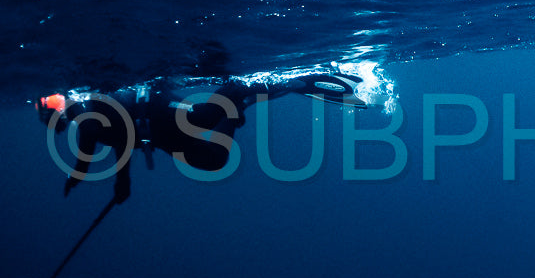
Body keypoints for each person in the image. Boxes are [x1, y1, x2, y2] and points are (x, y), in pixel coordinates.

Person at [34, 72, 366, 203]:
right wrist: (77, 179)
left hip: (157, 114)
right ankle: (239, 105)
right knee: (213, 160)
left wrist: (120, 183)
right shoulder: (85, 123)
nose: (53, 112)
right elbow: (91, 156)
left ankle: (240, 88)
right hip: (158, 135)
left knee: (206, 116)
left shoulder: (87, 117)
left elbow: (112, 145)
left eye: (51, 107)